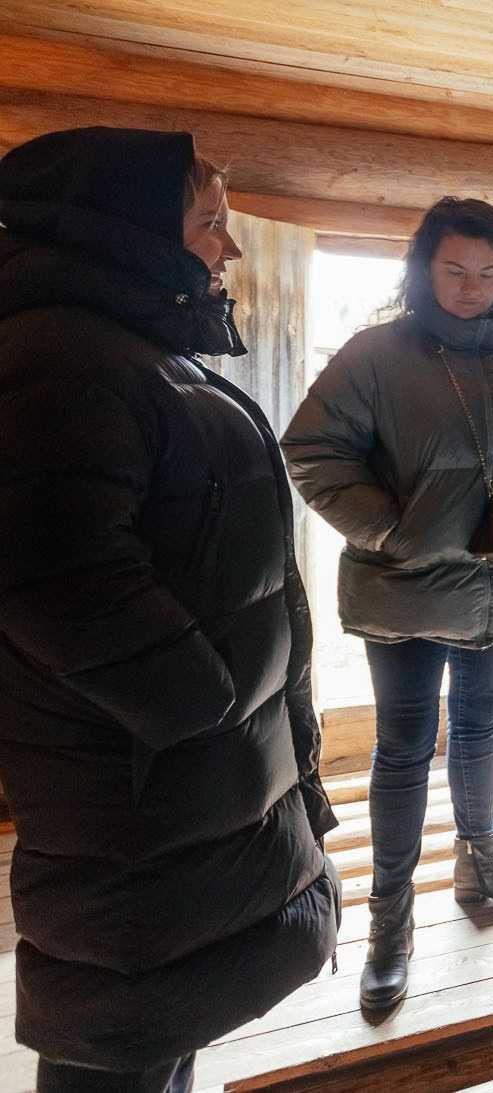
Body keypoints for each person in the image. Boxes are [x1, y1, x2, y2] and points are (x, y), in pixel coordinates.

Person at [0, 127, 339, 1091]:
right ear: (128, 231)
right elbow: (52, 571)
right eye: (209, 223)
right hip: (140, 793)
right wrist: (203, 700)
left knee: (163, 1021)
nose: (228, 248)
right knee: (120, 1037)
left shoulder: (131, 353)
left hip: (186, 790)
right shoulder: (58, 357)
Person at [283, 197, 493, 1012]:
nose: (473, 286)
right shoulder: (378, 353)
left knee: (479, 723)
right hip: (404, 590)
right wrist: (390, 531)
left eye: (489, 272)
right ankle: (389, 923)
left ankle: (480, 861)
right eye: (455, 270)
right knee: (404, 749)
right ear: (423, 269)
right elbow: (310, 447)